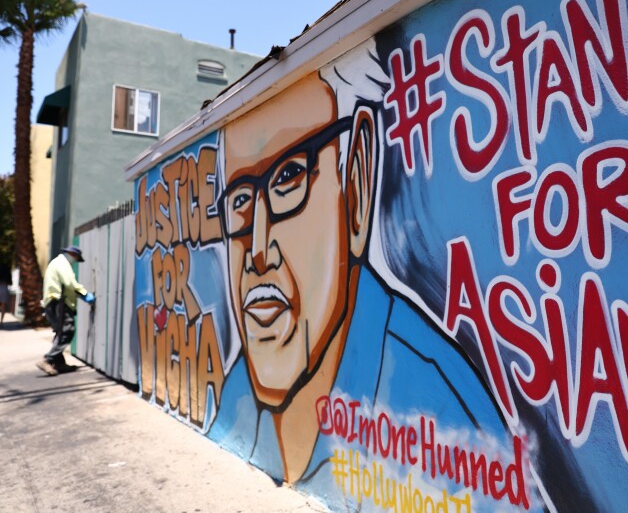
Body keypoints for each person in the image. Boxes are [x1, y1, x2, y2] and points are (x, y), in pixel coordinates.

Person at [208, 40, 507, 505]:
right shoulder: (239, 388)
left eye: (289, 177)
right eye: (241, 200)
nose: (257, 250)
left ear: (358, 182)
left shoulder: (447, 414)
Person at [37, 246, 94, 376]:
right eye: (76, 258)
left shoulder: (56, 263)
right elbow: (70, 283)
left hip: (52, 302)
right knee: (67, 331)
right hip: (59, 302)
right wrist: (85, 294)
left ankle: (59, 363)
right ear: (71, 253)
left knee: (60, 331)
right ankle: (48, 359)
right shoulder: (62, 263)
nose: (75, 261)